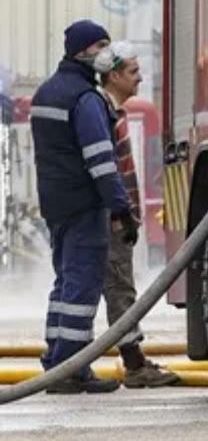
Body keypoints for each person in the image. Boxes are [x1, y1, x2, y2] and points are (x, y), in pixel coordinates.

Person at [30, 20, 136, 393]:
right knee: (82, 283)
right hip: (84, 204)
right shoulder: (85, 99)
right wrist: (121, 208)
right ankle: (73, 368)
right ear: (83, 51)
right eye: (101, 45)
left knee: (64, 282)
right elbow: (101, 162)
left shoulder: (47, 93)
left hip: (56, 202)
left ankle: (56, 359)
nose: (106, 53)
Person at [92, 43, 181, 388]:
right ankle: (134, 364)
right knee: (119, 289)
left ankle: (128, 361)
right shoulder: (103, 113)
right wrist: (120, 213)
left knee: (119, 288)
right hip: (113, 219)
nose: (140, 77)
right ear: (113, 75)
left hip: (117, 216)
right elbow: (106, 169)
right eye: (132, 71)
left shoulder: (113, 112)